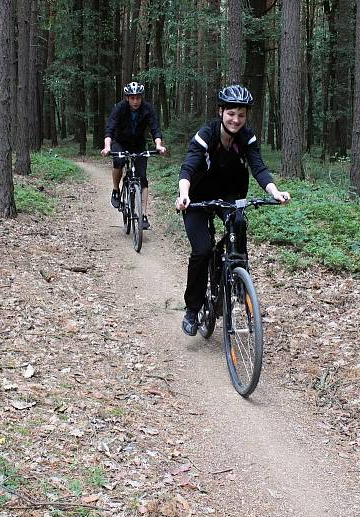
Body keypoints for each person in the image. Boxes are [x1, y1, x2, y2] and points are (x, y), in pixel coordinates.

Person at [175, 84, 290, 336]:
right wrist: (183, 195)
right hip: (196, 197)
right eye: (231, 113)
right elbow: (189, 167)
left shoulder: (246, 137)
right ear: (221, 111)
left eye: (241, 114)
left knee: (238, 223)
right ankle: (192, 309)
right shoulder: (206, 135)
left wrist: (275, 192)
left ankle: (238, 277)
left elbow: (258, 167)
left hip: (229, 195)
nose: (236, 120)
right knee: (202, 250)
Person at [101, 82, 167, 230]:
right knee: (119, 161)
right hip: (120, 142)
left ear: (141, 98)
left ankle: (143, 215)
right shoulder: (120, 108)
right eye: (132, 98)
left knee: (142, 177)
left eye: (138, 98)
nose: (135, 101)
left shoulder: (147, 108)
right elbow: (110, 128)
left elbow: (155, 128)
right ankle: (116, 190)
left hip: (138, 144)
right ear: (127, 98)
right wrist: (107, 147)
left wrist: (158, 145)